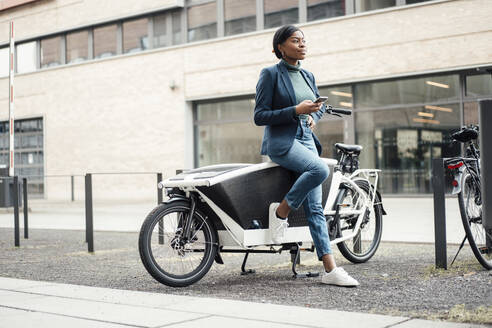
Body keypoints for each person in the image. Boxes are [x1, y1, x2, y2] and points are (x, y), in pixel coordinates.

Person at [254, 25, 359, 287]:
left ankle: (330, 269)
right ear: (280, 46)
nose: (302, 44)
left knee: (315, 209)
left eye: (303, 40)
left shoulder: (308, 75)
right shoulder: (270, 74)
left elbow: (318, 107)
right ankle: (281, 213)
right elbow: (259, 116)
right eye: (295, 40)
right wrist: (294, 110)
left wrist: (312, 115)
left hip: (305, 137)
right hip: (283, 141)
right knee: (320, 170)